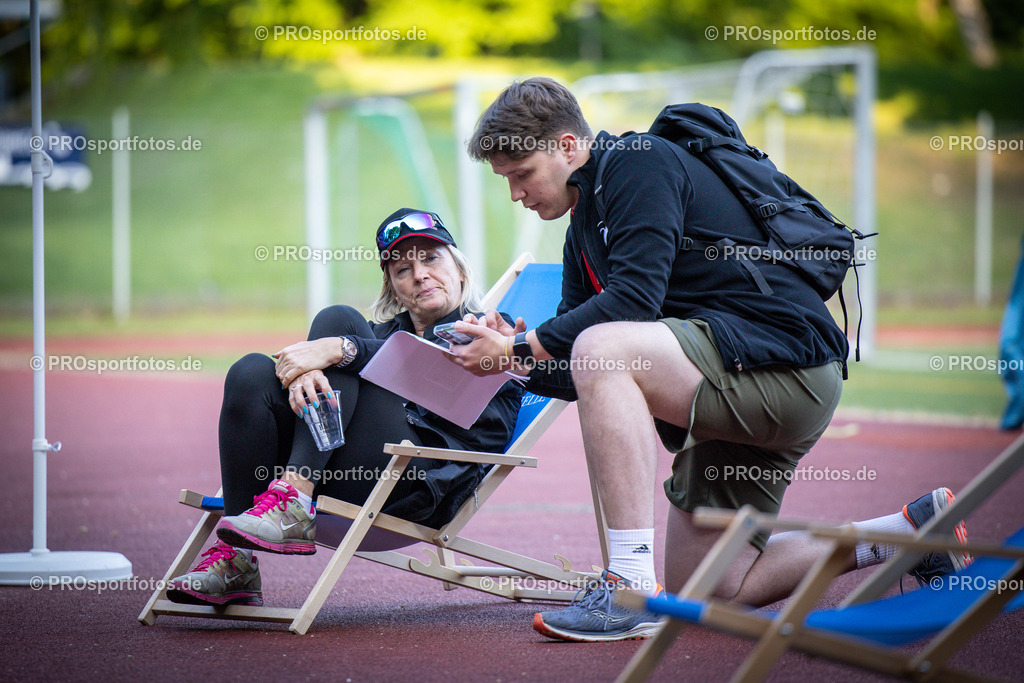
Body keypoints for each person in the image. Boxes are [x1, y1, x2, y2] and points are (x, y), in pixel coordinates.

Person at [448, 77, 971, 642]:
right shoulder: (582, 232)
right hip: (730, 382)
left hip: (786, 370)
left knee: (605, 344)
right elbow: (582, 372)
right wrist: (510, 361)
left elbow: (631, 303)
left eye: (521, 175)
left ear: (569, 146)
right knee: (713, 588)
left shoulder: (635, 161)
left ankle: (629, 588)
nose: (516, 195)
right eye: (506, 181)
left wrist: (520, 345)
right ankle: (907, 534)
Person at [167, 209, 523, 607]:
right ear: (393, 289)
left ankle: (295, 496)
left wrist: (337, 349)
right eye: (403, 269)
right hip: (346, 472)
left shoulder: (492, 332)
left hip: (417, 485)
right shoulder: (373, 337)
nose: (419, 274)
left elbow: (429, 360)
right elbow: (356, 353)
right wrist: (306, 372)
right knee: (251, 372)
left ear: (459, 270)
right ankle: (236, 562)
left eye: (431, 258)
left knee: (340, 323)